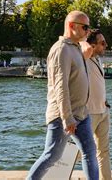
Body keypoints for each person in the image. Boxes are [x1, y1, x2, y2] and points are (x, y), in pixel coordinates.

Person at [27, 10, 99, 180]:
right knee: (52, 155)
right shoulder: (61, 50)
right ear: (71, 26)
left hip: (81, 113)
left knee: (89, 152)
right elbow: (61, 87)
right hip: (63, 116)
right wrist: (67, 118)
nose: (88, 32)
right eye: (85, 27)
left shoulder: (74, 48)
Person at [81, 29, 112, 180]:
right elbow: (80, 45)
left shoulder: (98, 60)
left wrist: (104, 101)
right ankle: (59, 174)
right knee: (82, 151)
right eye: (102, 43)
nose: (106, 45)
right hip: (89, 113)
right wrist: (84, 39)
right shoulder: (83, 59)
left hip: (103, 111)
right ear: (92, 45)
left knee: (104, 151)